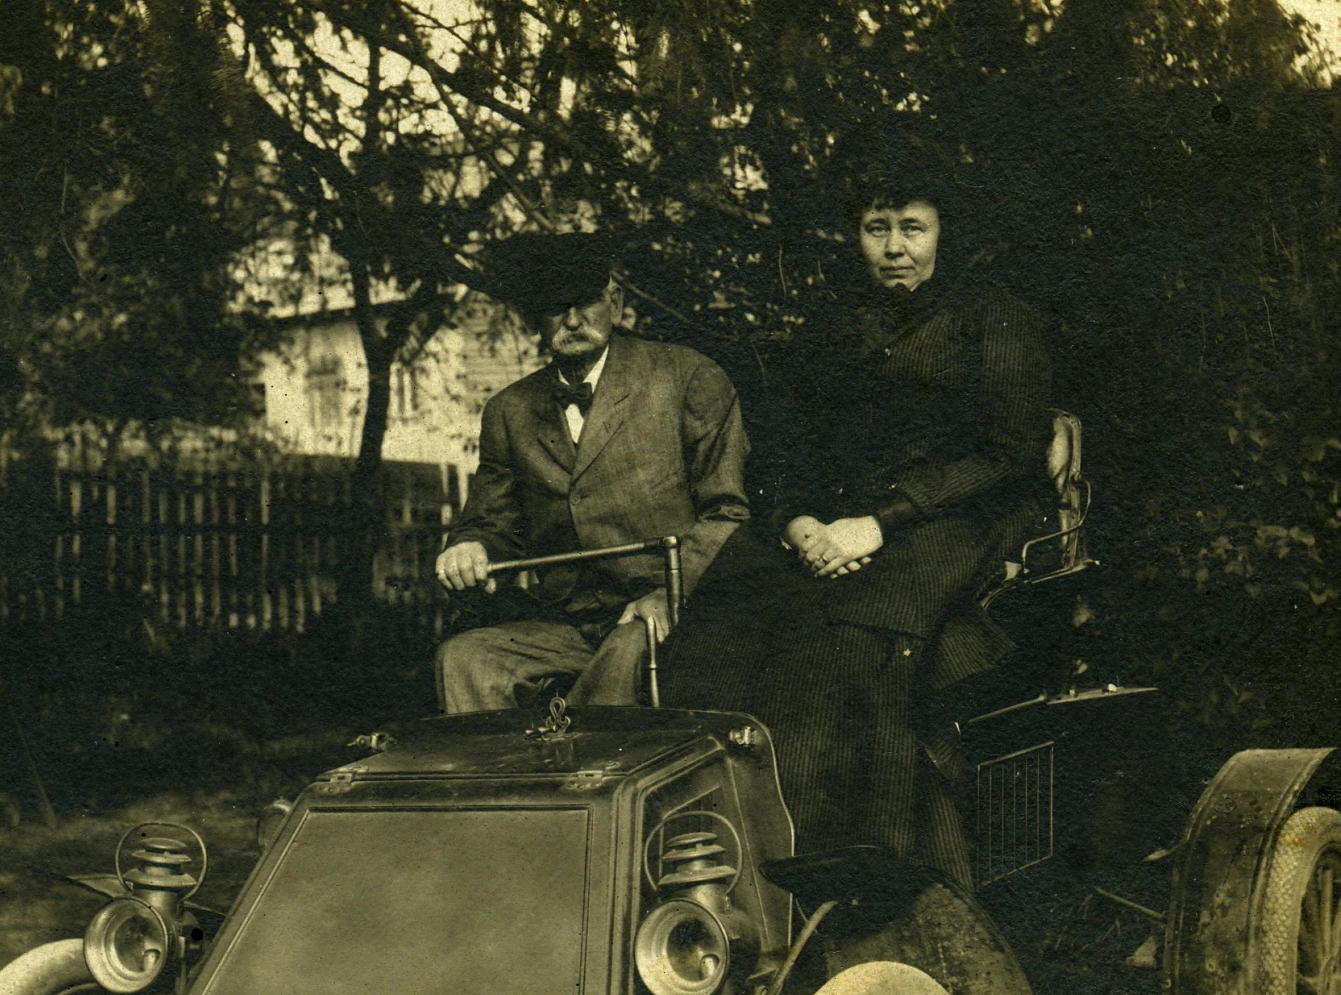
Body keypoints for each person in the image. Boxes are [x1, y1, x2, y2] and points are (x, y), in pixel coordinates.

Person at [660, 158, 1054, 889]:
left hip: (961, 512)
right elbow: (787, 449)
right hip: (838, 518)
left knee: (851, 638)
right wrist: (799, 522)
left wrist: (879, 523)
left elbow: (1007, 454)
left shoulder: (993, 318)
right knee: (721, 623)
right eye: (877, 229)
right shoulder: (833, 327)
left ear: (945, 233)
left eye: (913, 227)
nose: (895, 247)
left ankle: (853, 866)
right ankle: (706, 867)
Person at [434, 232, 750, 712]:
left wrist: (669, 594)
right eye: (556, 307)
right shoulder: (509, 410)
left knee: (624, 658)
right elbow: (492, 522)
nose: (574, 320)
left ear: (615, 302)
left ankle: (581, 781)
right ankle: (507, 787)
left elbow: (728, 511)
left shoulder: (686, 376)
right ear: (532, 320)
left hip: (671, 611)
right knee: (465, 658)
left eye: (586, 302)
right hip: (567, 623)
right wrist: (469, 546)